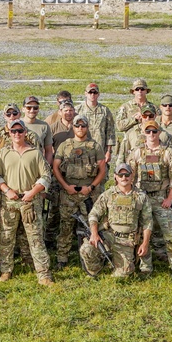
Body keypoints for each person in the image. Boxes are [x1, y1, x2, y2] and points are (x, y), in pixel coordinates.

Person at [0, 119, 54, 286]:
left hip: (30, 202)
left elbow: (46, 176)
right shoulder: (2, 153)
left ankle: (43, 274)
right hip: (9, 201)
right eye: (13, 131)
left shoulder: (35, 153)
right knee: (6, 237)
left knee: (35, 239)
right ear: (9, 134)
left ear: (25, 132)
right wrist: (6, 190)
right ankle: (6, 270)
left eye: (20, 131)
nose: (17, 134)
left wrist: (33, 192)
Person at [126, 120, 172, 280]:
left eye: (154, 131)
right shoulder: (137, 152)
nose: (151, 134)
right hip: (142, 198)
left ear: (159, 132)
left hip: (161, 198)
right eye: (148, 132)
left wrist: (170, 198)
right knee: (141, 235)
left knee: (171, 236)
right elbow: (130, 175)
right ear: (144, 134)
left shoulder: (167, 152)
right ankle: (145, 269)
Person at [51, 115, 106, 269]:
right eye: (77, 126)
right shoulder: (65, 145)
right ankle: (62, 258)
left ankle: (91, 259)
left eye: (83, 126)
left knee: (91, 227)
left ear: (87, 127)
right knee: (65, 227)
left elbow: (102, 169)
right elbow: (56, 167)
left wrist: (91, 187)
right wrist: (65, 186)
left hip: (88, 194)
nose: (80, 129)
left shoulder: (95, 146)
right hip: (68, 193)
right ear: (73, 127)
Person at [81, 163, 152, 279]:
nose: (124, 178)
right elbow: (94, 214)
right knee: (87, 249)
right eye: (121, 175)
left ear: (132, 176)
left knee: (123, 276)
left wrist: (145, 243)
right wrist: (94, 234)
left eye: (127, 174)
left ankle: (119, 263)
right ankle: (95, 271)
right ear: (115, 176)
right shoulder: (108, 194)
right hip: (109, 236)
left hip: (128, 240)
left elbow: (148, 222)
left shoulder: (141, 197)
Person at [75, 83, 116, 163]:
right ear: (85, 93)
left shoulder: (105, 111)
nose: (92, 95)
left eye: (95, 93)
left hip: (100, 151)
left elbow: (110, 132)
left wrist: (108, 152)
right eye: (90, 92)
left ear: (98, 94)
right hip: (82, 150)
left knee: (102, 173)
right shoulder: (77, 110)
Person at [22, 95, 53, 163]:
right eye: (29, 107)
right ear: (23, 109)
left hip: (38, 165)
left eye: (35, 108)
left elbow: (49, 151)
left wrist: (46, 167)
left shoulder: (44, 126)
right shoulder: (17, 125)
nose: (32, 110)